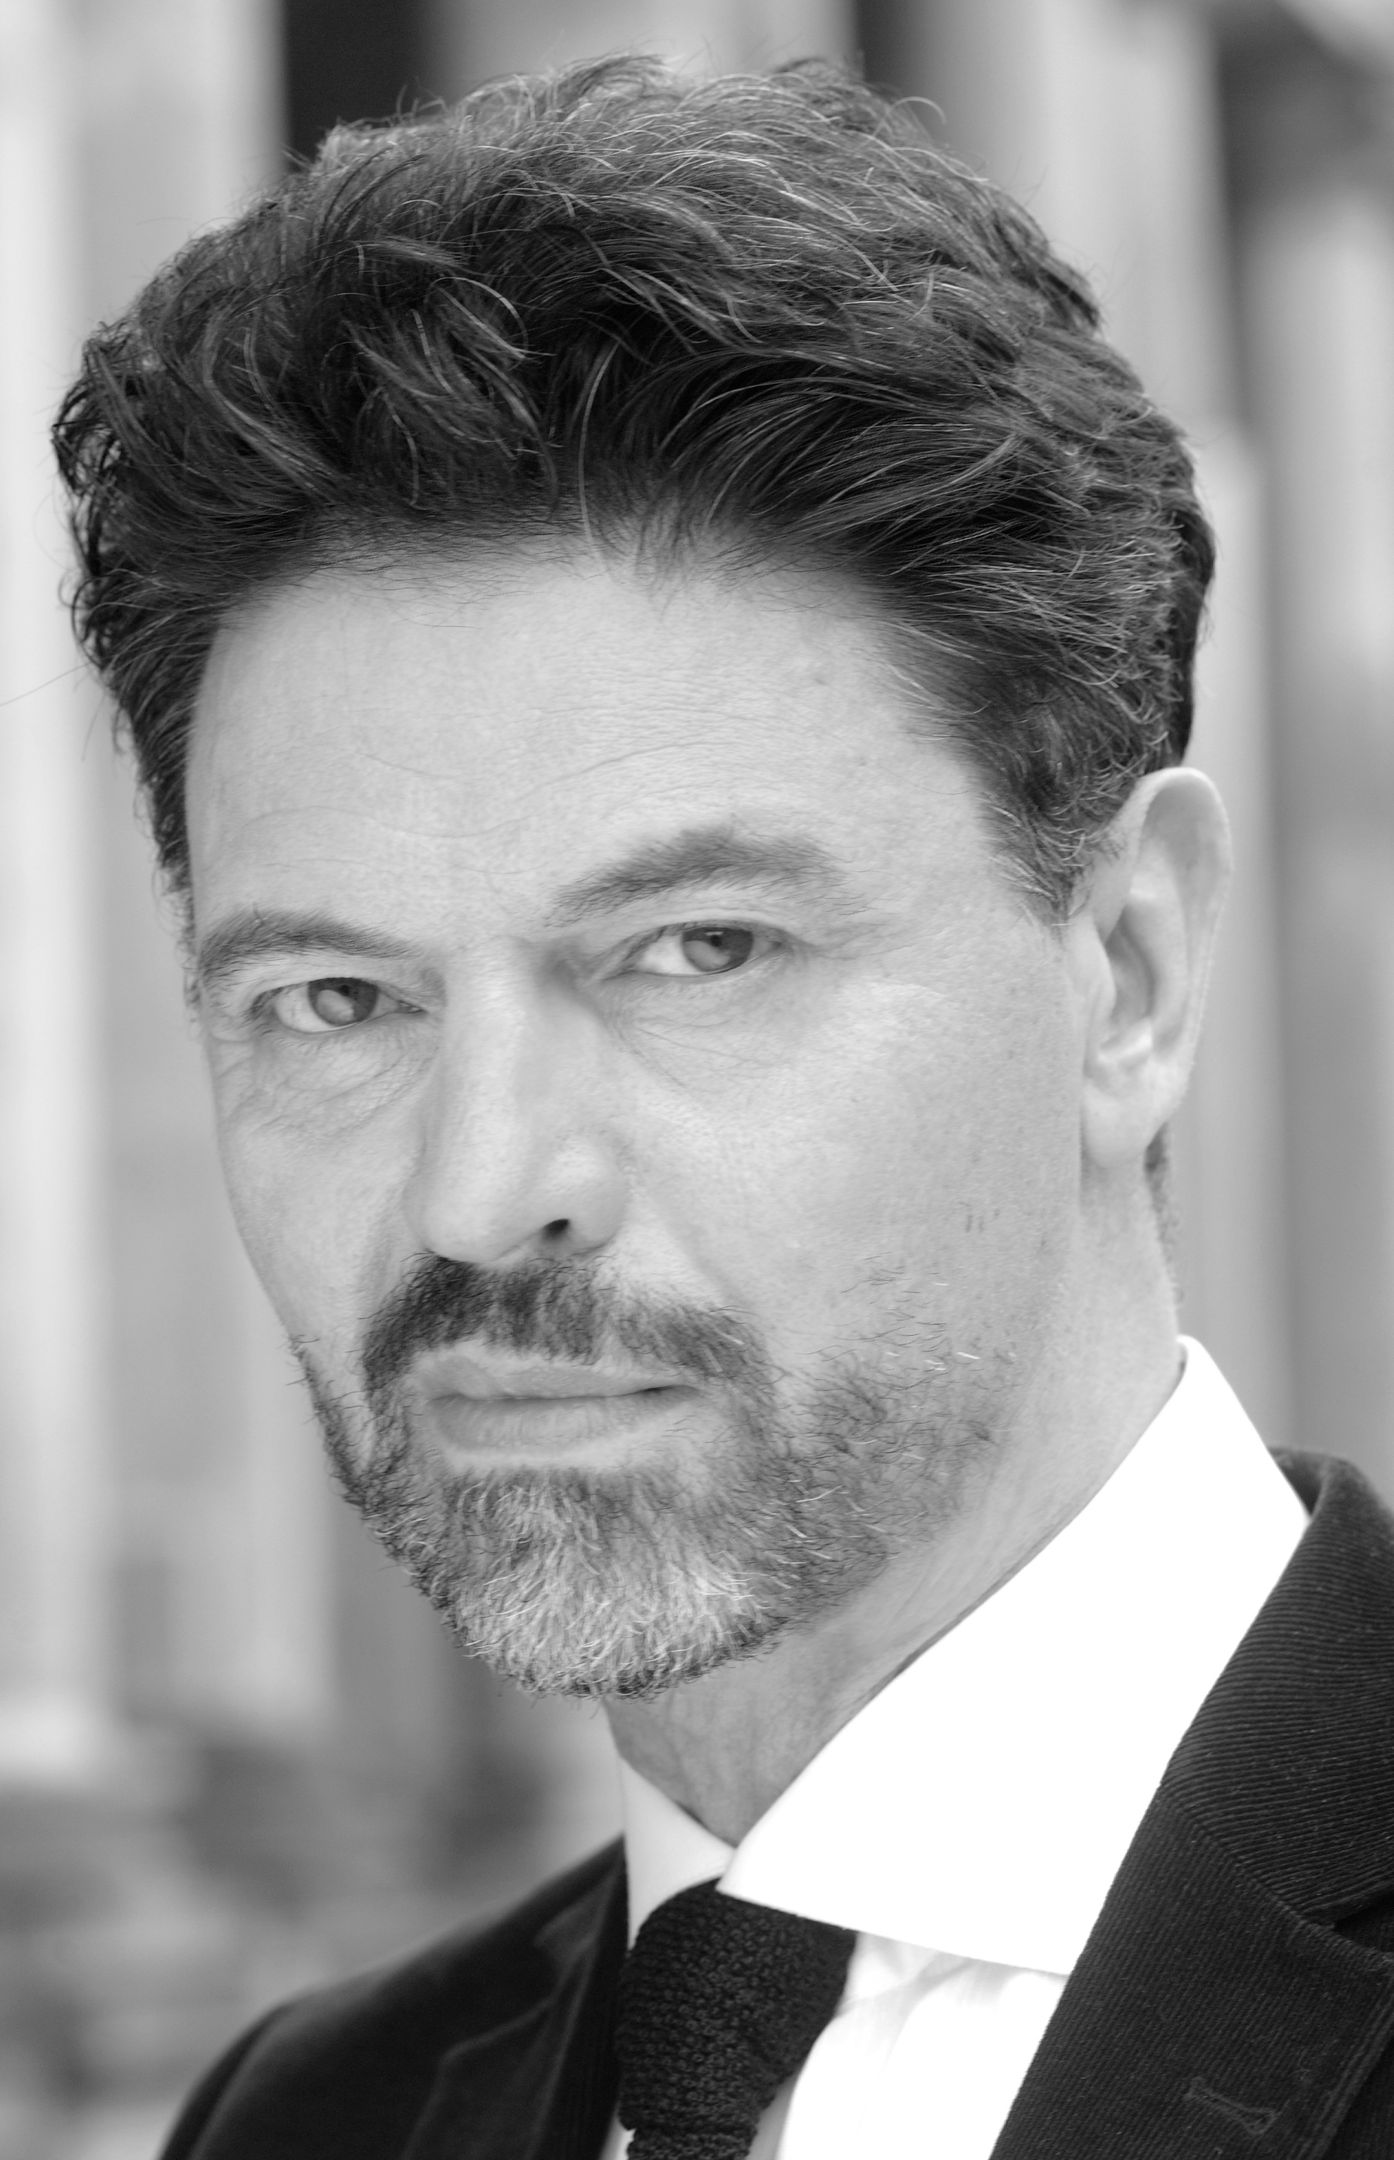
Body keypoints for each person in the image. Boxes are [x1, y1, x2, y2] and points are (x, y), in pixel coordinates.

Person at [53, 55, 1394, 2160]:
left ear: (1127, 968)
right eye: (338, 999)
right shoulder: (312, 2117)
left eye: (696, 951)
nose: (483, 1191)